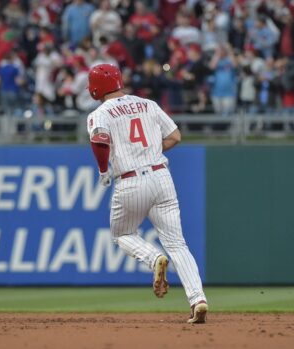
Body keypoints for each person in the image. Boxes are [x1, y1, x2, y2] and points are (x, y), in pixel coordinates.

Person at [85, 63, 208, 324]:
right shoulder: (147, 104)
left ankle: (154, 259)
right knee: (178, 243)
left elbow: (100, 140)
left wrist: (103, 169)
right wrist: (151, 152)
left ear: (95, 87)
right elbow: (175, 136)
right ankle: (198, 299)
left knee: (122, 234)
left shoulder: (101, 113)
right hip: (162, 176)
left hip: (130, 181)